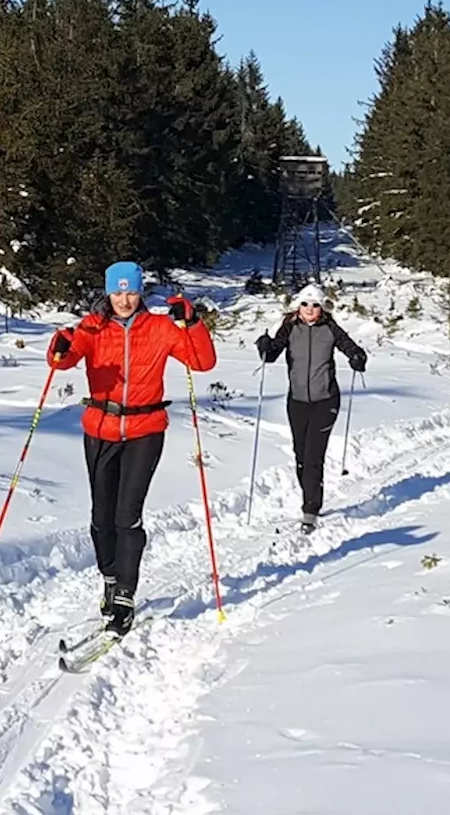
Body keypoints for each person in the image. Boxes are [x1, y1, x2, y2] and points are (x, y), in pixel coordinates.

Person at [46, 261, 217, 634]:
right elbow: (63, 360)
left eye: (131, 292)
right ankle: (110, 577)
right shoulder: (92, 328)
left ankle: (125, 592)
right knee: (101, 517)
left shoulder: (159, 328)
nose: (124, 300)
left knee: (128, 514)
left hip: (146, 429)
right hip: (101, 429)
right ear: (108, 292)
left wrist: (193, 323)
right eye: (118, 292)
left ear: (141, 292)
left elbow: (203, 362)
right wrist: (58, 347)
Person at [255, 283, 367, 533]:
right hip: (296, 401)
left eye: (315, 305)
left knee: (313, 456)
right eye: (305, 304)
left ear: (322, 307)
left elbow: (349, 346)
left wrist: (358, 356)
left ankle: (310, 510)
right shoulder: (290, 327)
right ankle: (310, 498)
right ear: (298, 306)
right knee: (300, 455)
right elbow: (272, 353)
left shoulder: (330, 328)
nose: (310, 309)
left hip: (325, 400)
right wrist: (264, 345)